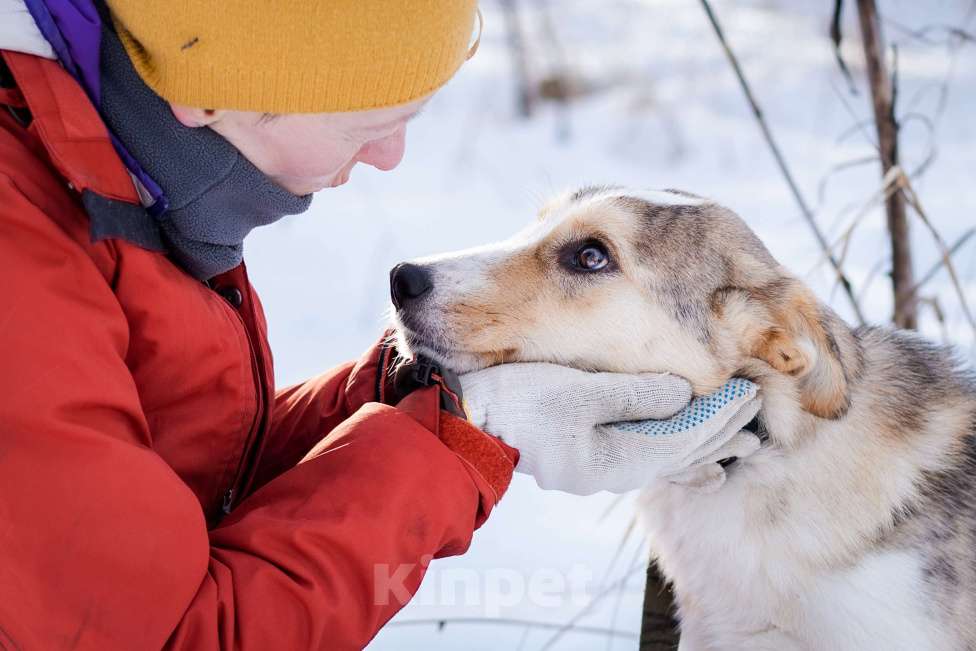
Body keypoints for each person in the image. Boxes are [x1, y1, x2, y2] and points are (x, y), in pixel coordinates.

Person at [0, 1, 760, 649]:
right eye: (369, 118)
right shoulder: (23, 255)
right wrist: (456, 437)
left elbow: (179, 481)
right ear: (213, 86)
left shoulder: (122, 178)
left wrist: (412, 389)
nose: (391, 155)